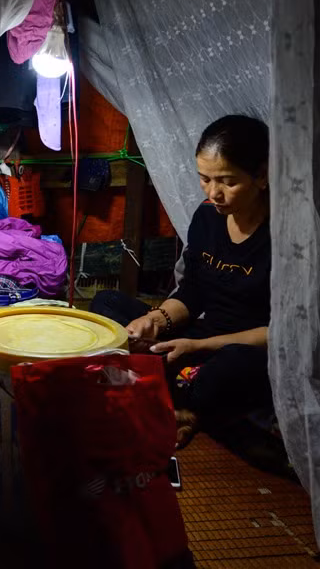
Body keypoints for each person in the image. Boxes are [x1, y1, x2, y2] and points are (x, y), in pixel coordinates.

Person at [91, 115, 272, 448]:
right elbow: (192, 293)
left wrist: (197, 347)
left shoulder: (281, 235)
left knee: (223, 373)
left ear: (261, 176)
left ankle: (177, 394)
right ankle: (176, 390)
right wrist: (155, 321)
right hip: (200, 335)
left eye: (227, 181)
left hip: (245, 349)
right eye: (204, 179)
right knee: (107, 305)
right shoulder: (207, 216)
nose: (214, 193)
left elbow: (280, 333)